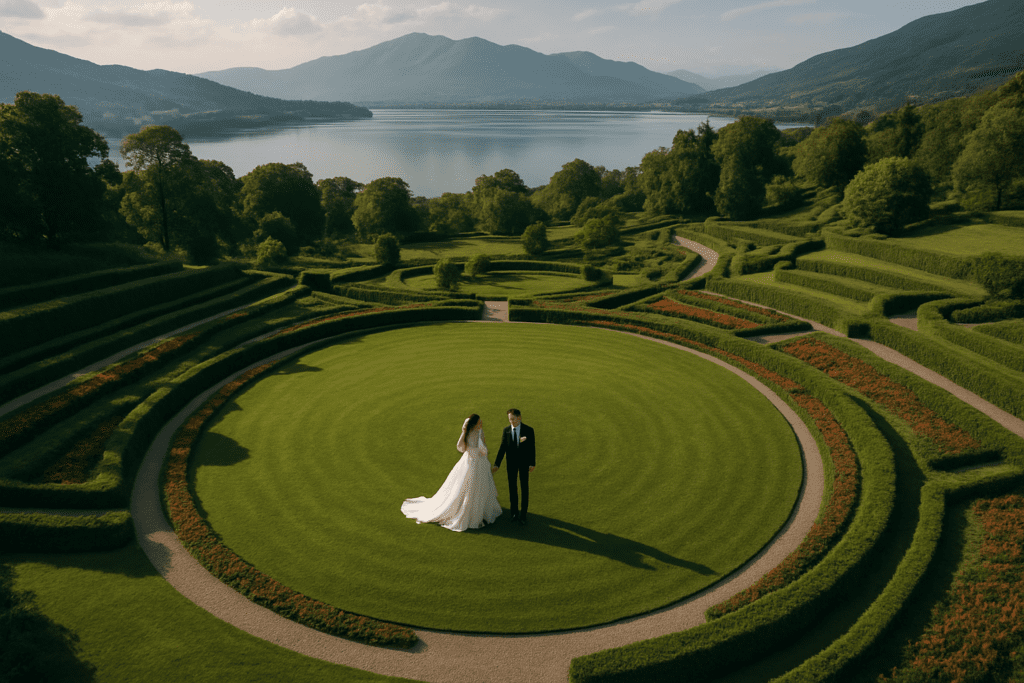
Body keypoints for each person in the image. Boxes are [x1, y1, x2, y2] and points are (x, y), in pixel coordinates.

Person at [401, 414, 502, 532]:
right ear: (473, 424)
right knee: (466, 485)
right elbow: (461, 447)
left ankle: (478, 509)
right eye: (479, 423)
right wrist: (474, 447)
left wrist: (482, 451)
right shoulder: (467, 433)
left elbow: (483, 445)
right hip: (469, 462)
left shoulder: (480, 432)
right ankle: (464, 509)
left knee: (479, 486)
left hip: (480, 462)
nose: (481, 424)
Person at [492, 408, 535, 526]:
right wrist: (497, 463)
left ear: (519, 417)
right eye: (510, 419)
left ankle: (523, 515)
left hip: (524, 464)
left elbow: (532, 447)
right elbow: (502, 448)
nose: (511, 421)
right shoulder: (506, 431)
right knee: (512, 488)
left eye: (513, 419)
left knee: (524, 488)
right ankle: (514, 513)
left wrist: (532, 463)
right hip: (511, 465)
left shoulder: (529, 430)